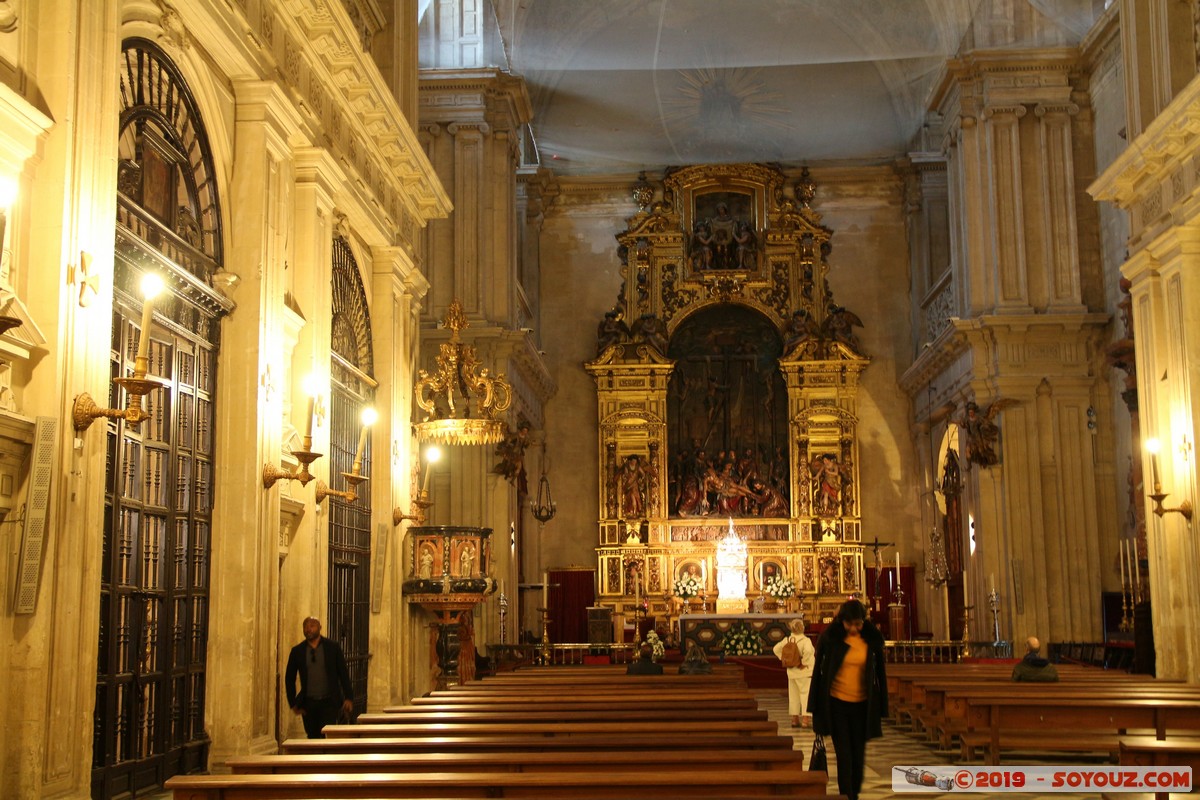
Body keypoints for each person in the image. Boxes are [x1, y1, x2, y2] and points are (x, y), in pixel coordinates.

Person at [808, 600, 887, 800]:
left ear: (863, 621)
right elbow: (819, 674)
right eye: (849, 624)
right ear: (841, 621)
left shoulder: (870, 639)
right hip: (836, 704)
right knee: (844, 755)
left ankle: (855, 793)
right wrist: (815, 709)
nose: (853, 628)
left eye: (858, 624)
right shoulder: (831, 638)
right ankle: (847, 796)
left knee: (858, 755)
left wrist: (882, 705)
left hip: (862, 705)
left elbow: (880, 674)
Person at [285, 616, 354, 739]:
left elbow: (343, 673)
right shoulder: (297, 651)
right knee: (312, 736)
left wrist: (348, 697)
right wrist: (293, 703)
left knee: (328, 736)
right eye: (305, 626)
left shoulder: (333, 648)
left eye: (312, 625)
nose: (308, 629)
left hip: (329, 702)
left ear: (320, 628)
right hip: (308, 703)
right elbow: (289, 678)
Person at [772, 617, 815, 727]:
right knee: (805, 695)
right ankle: (805, 720)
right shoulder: (805, 641)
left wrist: (784, 659)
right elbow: (809, 652)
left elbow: (776, 649)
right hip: (804, 672)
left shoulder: (787, 640)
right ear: (802, 628)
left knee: (794, 696)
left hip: (791, 671)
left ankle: (794, 719)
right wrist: (803, 663)